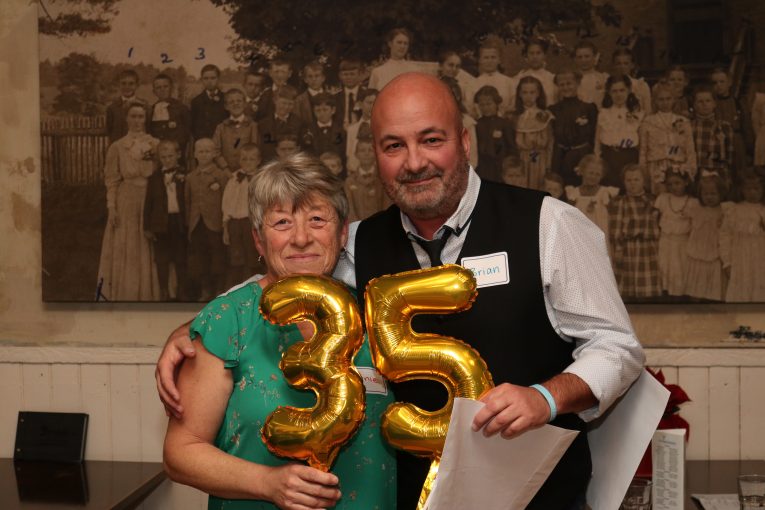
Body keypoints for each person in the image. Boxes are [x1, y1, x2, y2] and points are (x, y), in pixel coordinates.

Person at [156, 73, 645, 510]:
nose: (414, 162)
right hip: (410, 499)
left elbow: (617, 346)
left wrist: (546, 397)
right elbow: (293, 266)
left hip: (537, 496)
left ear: (465, 142)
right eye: (394, 146)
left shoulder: (549, 224)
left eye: (431, 140)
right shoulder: (361, 241)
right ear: (377, 157)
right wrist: (197, 327)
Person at [163, 153, 397, 509]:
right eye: (283, 222)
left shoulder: (375, 313)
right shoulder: (230, 319)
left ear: (343, 231)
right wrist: (267, 483)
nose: (301, 238)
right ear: (259, 240)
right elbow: (181, 453)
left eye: (317, 219)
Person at [97, 101, 160, 301]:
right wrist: (112, 207)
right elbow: (112, 180)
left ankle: (147, 293)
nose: (137, 121)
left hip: (149, 198)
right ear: (126, 119)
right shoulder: (117, 147)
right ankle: (126, 291)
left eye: (141, 116)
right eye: (133, 116)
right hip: (126, 199)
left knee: (146, 241)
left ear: (146, 119)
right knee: (127, 243)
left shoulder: (155, 144)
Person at [185, 138, 230, 301]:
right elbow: (187, 201)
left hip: (215, 222)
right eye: (200, 151)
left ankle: (219, 289)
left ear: (214, 154)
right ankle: (205, 289)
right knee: (199, 257)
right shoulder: (190, 177)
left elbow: (226, 200)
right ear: (195, 154)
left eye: (207, 151)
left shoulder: (221, 175)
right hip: (197, 223)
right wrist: (189, 223)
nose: (204, 155)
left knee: (217, 256)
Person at [144, 139, 188, 301]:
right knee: (162, 258)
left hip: (179, 220)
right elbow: (148, 203)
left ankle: (181, 291)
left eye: (170, 156)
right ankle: (164, 291)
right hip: (160, 222)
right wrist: (147, 227)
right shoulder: (154, 178)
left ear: (178, 155)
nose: (167, 160)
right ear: (159, 158)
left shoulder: (185, 174)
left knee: (180, 257)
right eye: (163, 157)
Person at [609, 164, 661, 299]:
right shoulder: (620, 202)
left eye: (636, 180)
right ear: (624, 182)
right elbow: (616, 229)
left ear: (644, 181)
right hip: (628, 248)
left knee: (647, 285)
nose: (632, 184)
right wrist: (618, 250)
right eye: (629, 180)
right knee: (627, 286)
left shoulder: (653, 201)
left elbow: (660, 225)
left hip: (649, 248)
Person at [638, 82, 697, 195]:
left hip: (678, 166)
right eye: (661, 99)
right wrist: (643, 172)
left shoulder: (683, 121)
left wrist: (690, 169)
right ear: (655, 101)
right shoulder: (648, 121)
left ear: (674, 100)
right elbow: (643, 150)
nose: (665, 103)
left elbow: (690, 148)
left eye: (668, 99)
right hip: (656, 166)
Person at [222, 143, 266, 289]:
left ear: (259, 160)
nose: (247, 163)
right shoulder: (234, 178)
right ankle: (236, 290)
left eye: (251, 159)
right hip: (235, 223)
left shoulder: (262, 179)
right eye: (244, 159)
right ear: (239, 161)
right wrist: (226, 225)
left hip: (252, 223)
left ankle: (253, 288)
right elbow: (227, 202)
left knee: (253, 258)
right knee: (236, 258)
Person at [719, 170, 765, 302]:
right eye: (748, 189)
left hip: (761, 260)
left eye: (756, 189)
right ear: (742, 190)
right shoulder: (734, 210)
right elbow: (725, 236)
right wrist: (727, 262)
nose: (752, 192)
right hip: (740, 260)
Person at [684, 171, 730, 301]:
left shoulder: (724, 210)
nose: (709, 197)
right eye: (705, 194)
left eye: (713, 194)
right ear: (700, 194)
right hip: (697, 249)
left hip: (714, 251)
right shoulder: (695, 207)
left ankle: (712, 303)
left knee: (713, 284)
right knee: (696, 282)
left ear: (721, 194)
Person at [549, 69, 598, 186]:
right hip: (560, 155)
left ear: (577, 83)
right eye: (562, 84)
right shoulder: (553, 109)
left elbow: (593, 136)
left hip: (581, 155)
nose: (566, 87)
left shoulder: (588, 108)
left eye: (569, 83)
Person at [654, 168, 699, 297]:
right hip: (666, 239)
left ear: (686, 182)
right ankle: (666, 292)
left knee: (680, 267)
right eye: (670, 184)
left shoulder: (692, 202)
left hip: (683, 241)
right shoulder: (663, 198)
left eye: (677, 183)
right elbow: (655, 217)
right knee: (665, 265)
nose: (674, 187)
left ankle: (680, 294)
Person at [595, 74, 644, 189]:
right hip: (609, 156)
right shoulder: (604, 113)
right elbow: (597, 139)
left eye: (622, 90)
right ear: (609, 93)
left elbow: (642, 141)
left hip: (629, 156)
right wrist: (597, 159)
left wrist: (641, 162)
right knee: (610, 188)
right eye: (614, 91)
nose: (618, 94)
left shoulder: (637, 113)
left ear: (629, 90)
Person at [511, 76, 553, 190]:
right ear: (519, 94)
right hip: (520, 158)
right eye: (524, 92)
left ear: (538, 93)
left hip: (540, 160)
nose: (528, 96)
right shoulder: (514, 117)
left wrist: (548, 164)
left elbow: (550, 143)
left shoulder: (545, 116)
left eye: (532, 92)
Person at [692, 85, 734, 187]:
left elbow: (729, 155)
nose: (704, 104)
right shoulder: (689, 127)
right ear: (694, 105)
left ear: (714, 103)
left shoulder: (724, 126)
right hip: (696, 173)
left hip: (719, 173)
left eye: (708, 101)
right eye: (700, 102)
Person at [474, 85, 516, 183]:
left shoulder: (505, 123)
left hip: (500, 166)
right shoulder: (476, 124)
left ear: (497, 104)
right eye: (482, 105)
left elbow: (511, 147)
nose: (485, 108)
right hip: (482, 167)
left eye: (488, 104)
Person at [465, 40, 516, 118]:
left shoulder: (509, 82)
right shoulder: (472, 84)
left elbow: (513, 105)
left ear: (499, 60)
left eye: (493, 57)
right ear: (480, 60)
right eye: (486, 58)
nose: (490, 61)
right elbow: (470, 108)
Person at [212, 89, 259, 171]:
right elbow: (215, 150)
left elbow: (255, 149)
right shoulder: (221, 127)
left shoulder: (252, 126)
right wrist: (225, 167)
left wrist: (246, 167)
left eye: (239, 101)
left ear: (245, 104)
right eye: (231, 102)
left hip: (247, 170)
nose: (235, 104)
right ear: (226, 106)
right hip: (226, 172)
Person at [148, 73, 191, 160]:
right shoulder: (151, 110)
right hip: (158, 156)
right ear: (154, 91)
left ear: (171, 88)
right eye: (158, 88)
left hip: (177, 156)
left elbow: (188, 133)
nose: (162, 90)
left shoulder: (182, 108)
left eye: (165, 86)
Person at [344, 137, 387, 222]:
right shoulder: (350, 181)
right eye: (362, 150)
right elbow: (350, 210)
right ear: (356, 154)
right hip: (358, 229)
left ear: (376, 153)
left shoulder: (383, 179)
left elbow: (387, 206)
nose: (366, 154)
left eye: (370, 150)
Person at [258, 86, 303, 162]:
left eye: (290, 104)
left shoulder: (298, 123)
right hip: (270, 163)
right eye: (283, 103)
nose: (286, 107)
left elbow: (300, 147)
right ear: (275, 100)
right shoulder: (264, 124)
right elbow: (265, 148)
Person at [106, 69, 147, 144]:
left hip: (139, 148)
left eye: (131, 84)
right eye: (123, 83)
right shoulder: (112, 108)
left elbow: (148, 129)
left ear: (137, 85)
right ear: (119, 85)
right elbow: (110, 131)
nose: (127, 87)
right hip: (119, 149)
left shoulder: (145, 106)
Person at [299, 93, 345, 160]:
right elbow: (306, 153)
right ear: (313, 111)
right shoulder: (307, 130)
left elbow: (340, 151)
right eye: (318, 110)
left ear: (333, 110)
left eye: (325, 110)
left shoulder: (340, 130)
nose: (322, 113)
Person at [190, 64, 228, 141]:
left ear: (218, 79)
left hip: (223, 140)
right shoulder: (196, 101)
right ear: (202, 80)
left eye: (213, 78)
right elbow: (193, 126)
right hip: (204, 142)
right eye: (206, 78)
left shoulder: (226, 98)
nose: (209, 81)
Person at [514, 38, 557, 106]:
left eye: (538, 53)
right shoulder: (519, 78)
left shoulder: (552, 78)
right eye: (531, 53)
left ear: (544, 55)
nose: (535, 57)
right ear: (526, 56)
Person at [345, 88, 378, 172]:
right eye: (369, 103)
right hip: (356, 174)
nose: (373, 106)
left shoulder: (383, 128)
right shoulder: (352, 129)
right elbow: (350, 155)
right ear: (360, 104)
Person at [333, 58, 366, 129]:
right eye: (345, 74)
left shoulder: (366, 95)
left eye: (352, 74)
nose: (348, 77)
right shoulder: (334, 98)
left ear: (359, 74)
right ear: (340, 76)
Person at [573, 40, 607, 107]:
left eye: (587, 56)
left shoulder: (604, 78)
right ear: (575, 59)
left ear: (594, 57)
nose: (583, 60)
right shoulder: (572, 79)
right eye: (580, 57)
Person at [293, 61, 328, 126]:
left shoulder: (331, 97)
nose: (314, 79)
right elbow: (297, 124)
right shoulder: (299, 101)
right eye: (310, 76)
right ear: (305, 79)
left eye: (317, 76)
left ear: (323, 78)